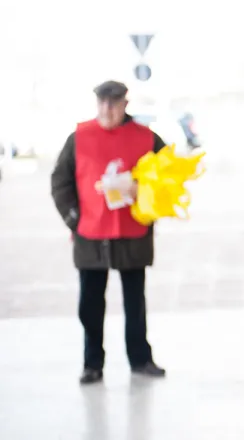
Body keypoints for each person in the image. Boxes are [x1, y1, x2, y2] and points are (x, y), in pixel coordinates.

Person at [51, 80, 167, 384]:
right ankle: (92, 364)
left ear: (125, 105)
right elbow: (60, 180)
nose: (107, 109)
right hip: (90, 233)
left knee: (135, 302)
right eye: (102, 103)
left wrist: (142, 189)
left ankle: (141, 359)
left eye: (113, 104)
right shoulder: (79, 137)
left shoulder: (147, 138)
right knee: (90, 303)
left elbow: (170, 177)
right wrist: (73, 218)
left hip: (133, 232)